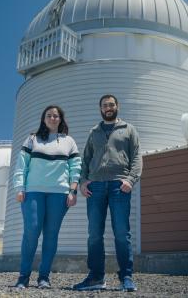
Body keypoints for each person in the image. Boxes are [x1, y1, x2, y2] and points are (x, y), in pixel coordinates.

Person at [73, 94, 142, 292]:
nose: (108, 108)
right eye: (105, 105)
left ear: (117, 107)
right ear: (101, 109)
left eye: (111, 104)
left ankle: (126, 277)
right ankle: (96, 277)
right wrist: (83, 181)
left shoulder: (128, 129)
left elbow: (137, 157)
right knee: (94, 234)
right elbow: (85, 159)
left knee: (122, 233)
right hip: (95, 187)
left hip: (119, 186)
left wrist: (130, 180)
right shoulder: (94, 132)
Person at [13, 105, 81, 289]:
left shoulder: (69, 142)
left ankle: (44, 277)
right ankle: (23, 277)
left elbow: (76, 168)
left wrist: (73, 190)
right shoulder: (32, 139)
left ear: (61, 119)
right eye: (49, 115)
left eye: (56, 116)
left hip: (59, 194)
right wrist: (20, 187)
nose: (52, 118)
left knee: (51, 235)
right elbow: (21, 166)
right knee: (31, 232)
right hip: (33, 191)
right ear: (43, 118)